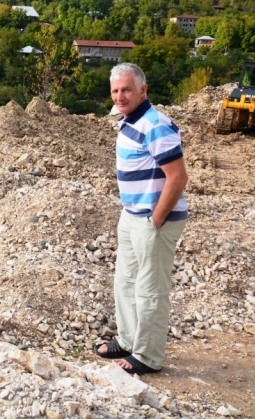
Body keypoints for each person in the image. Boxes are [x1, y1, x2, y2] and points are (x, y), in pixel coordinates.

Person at [95, 63, 189, 375]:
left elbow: (177, 178)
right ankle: (128, 339)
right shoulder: (129, 120)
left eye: (127, 90)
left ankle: (148, 357)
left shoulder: (155, 125)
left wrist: (155, 220)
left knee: (150, 290)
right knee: (125, 282)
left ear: (143, 91)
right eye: (116, 90)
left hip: (153, 221)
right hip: (133, 216)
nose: (120, 96)